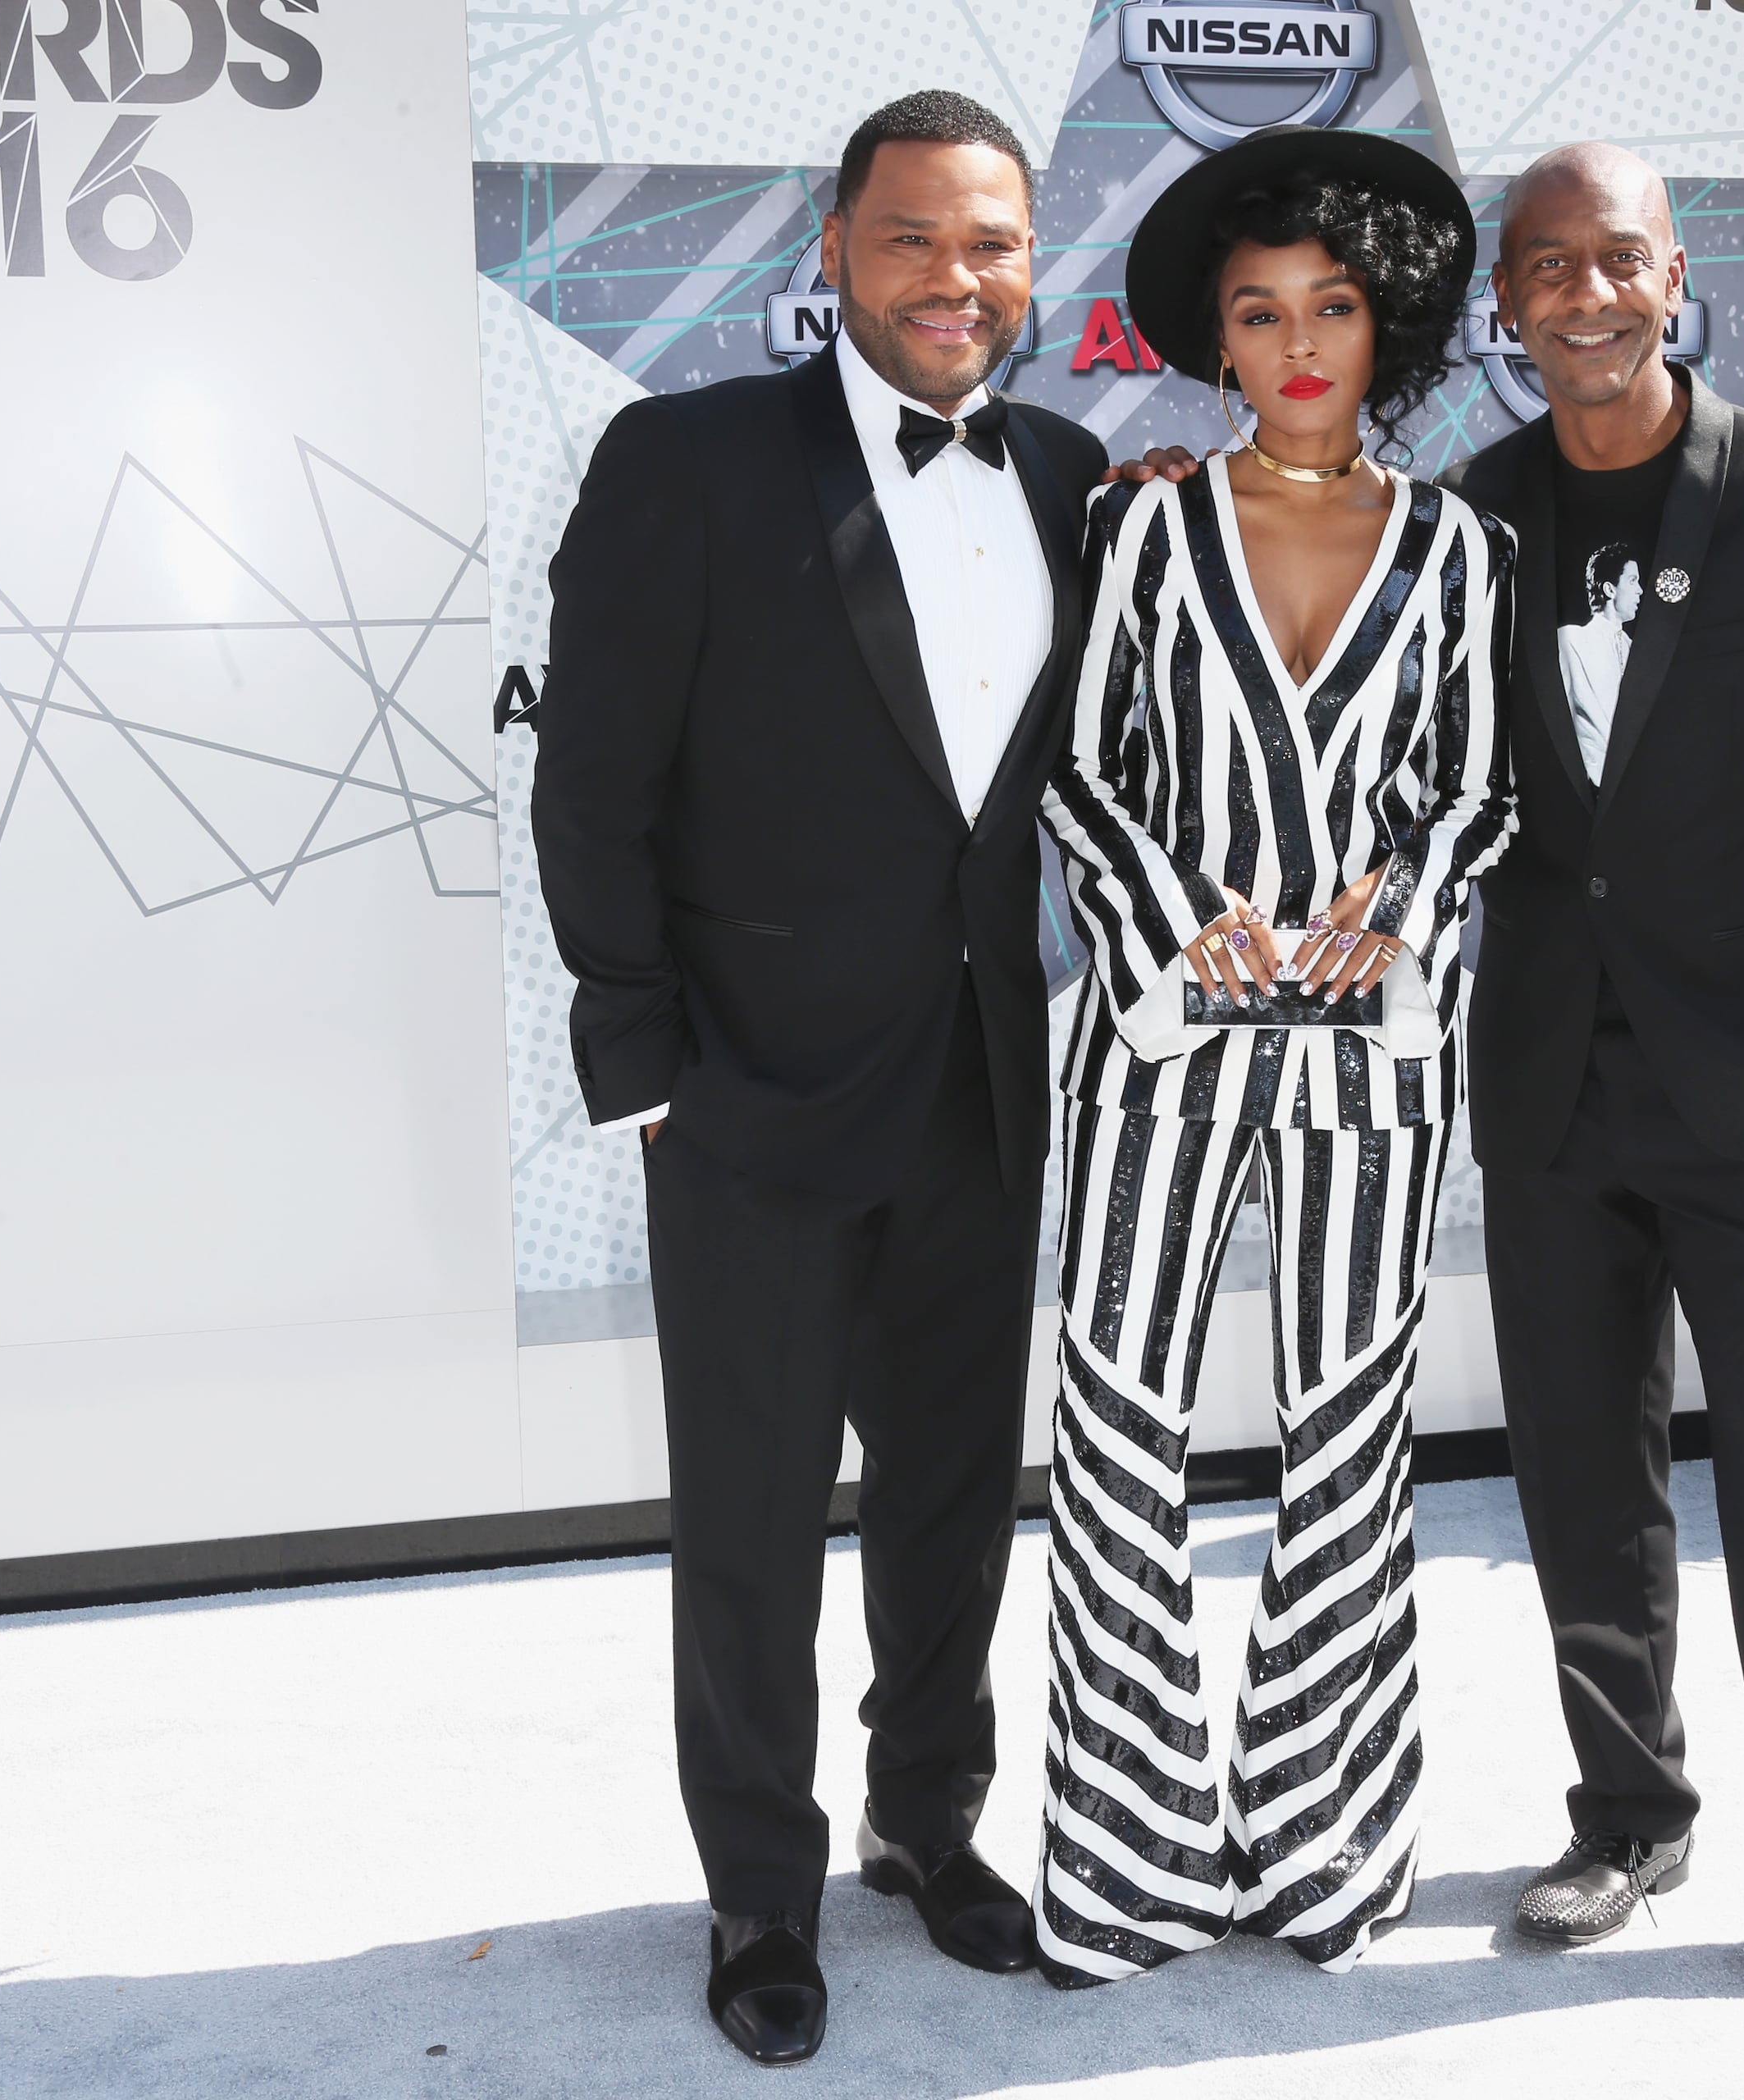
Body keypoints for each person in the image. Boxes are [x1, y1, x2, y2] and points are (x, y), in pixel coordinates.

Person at [529, 90, 1105, 2068]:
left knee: (954, 1500)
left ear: (1036, 263)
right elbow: (592, 785)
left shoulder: (1069, 473)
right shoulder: (685, 461)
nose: (961, 278)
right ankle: (758, 1890)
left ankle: (924, 1824)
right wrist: (647, 1065)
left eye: (997, 243)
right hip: (753, 1097)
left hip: (986, 1088)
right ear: (834, 253)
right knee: (756, 1519)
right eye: (917, 240)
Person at [1448, 141, 1744, 2048]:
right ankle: (1629, 1813)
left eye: (1618, 260)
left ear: (1678, 273)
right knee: (1580, 1477)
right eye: (1547, 266)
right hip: (1554, 1095)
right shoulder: (1469, 518)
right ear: (1505, 301)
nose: (1584, 295)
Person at [1030, 124, 1511, 1985]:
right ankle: (1125, 1868)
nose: (1300, 343)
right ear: (1212, 341)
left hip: (1374, 1057)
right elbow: (1075, 768)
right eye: (1259, 312)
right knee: (1116, 1423)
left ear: (1381, 325)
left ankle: (1323, 1856)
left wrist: (1399, 900)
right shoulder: (1138, 527)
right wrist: (1177, 904)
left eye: (1332, 306)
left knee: (1347, 1434)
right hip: (1157, 1038)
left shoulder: (1463, 550)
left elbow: (1480, 788)